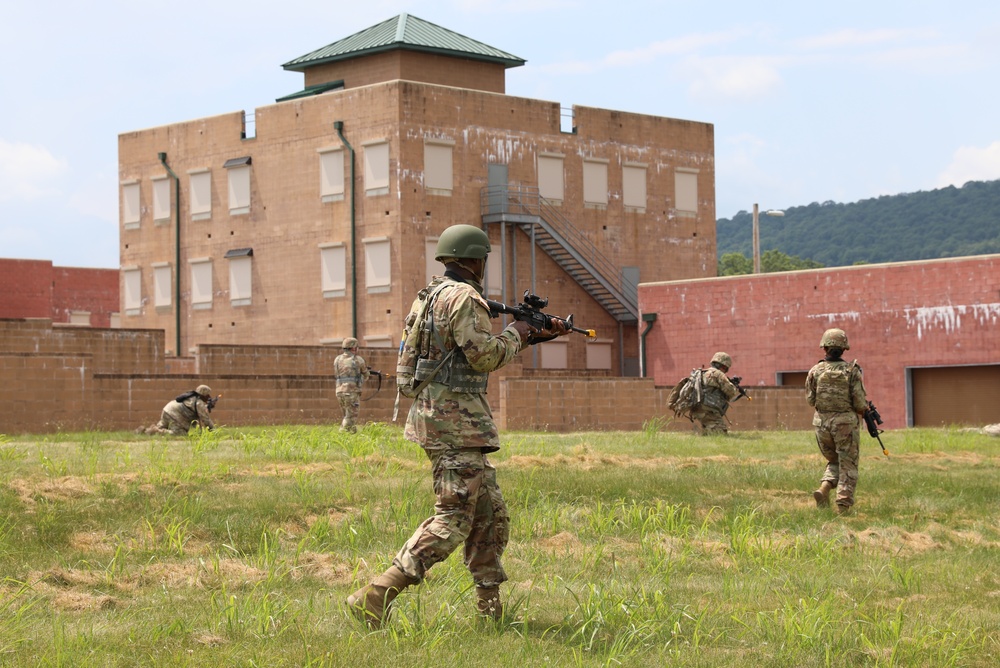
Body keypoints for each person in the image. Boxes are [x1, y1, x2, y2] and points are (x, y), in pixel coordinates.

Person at [346, 223, 569, 629]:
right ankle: (376, 594)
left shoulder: (429, 295)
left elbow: (459, 352)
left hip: (445, 420)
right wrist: (519, 333)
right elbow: (484, 356)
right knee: (453, 518)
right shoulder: (466, 298)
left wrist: (528, 336)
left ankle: (490, 611)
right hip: (456, 425)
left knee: (489, 515)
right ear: (476, 259)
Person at [805, 328, 868, 514]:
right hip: (845, 426)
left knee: (834, 460)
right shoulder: (851, 371)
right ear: (844, 348)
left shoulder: (815, 371)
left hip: (822, 425)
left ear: (824, 347)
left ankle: (824, 488)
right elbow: (859, 402)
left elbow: (810, 400)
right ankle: (843, 507)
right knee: (848, 464)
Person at [688, 352, 740, 434]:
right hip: (709, 409)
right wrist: (734, 386)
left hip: (696, 408)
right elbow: (731, 392)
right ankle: (702, 432)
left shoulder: (702, 373)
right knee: (720, 433)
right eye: (726, 368)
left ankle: (702, 432)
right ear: (723, 366)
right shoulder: (718, 374)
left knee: (708, 429)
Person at [139, 385, 216, 435]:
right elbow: (206, 419)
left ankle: (146, 431)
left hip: (168, 410)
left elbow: (197, 410)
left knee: (163, 427)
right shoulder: (199, 403)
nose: (209, 397)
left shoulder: (193, 398)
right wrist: (214, 432)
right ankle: (156, 431)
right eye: (208, 394)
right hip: (174, 415)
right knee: (179, 434)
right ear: (203, 394)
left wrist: (207, 406)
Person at [334, 337, 370, 433]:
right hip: (351, 393)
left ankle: (352, 434)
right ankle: (342, 434)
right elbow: (366, 374)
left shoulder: (337, 359)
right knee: (350, 416)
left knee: (347, 416)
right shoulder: (358, 359)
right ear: (354, 348)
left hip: (339, 392)